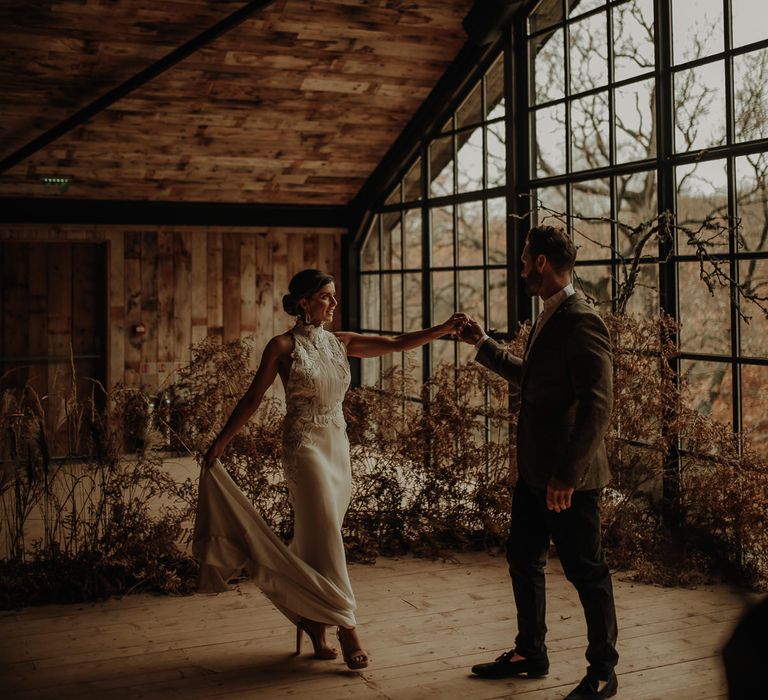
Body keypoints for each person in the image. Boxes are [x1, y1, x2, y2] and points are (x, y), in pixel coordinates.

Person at [193, 268, 466, 671]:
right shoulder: (282, 346)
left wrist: (442, 328)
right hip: (304, 446)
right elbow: (253, 396)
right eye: (325, 297)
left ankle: (312, 619)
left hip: (337, 445)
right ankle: (346, 624)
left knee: (319, 537)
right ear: (303, 303)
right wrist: (221, 441)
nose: (333, 304)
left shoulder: (341, 342)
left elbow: (396, 343)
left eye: (333, 296)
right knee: (323, 531)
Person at [458, 225, 619, 699]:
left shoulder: (581, 319)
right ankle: (531, 651)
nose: (522, 266)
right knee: (522, 559)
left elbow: (599, 404)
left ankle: (604, 672)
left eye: (526, 258)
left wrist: (567, 476)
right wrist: (483, 343)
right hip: (534, 473)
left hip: (568, 480)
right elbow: (533, 381)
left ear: (542, 262)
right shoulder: (553, 313)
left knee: (587, 572)